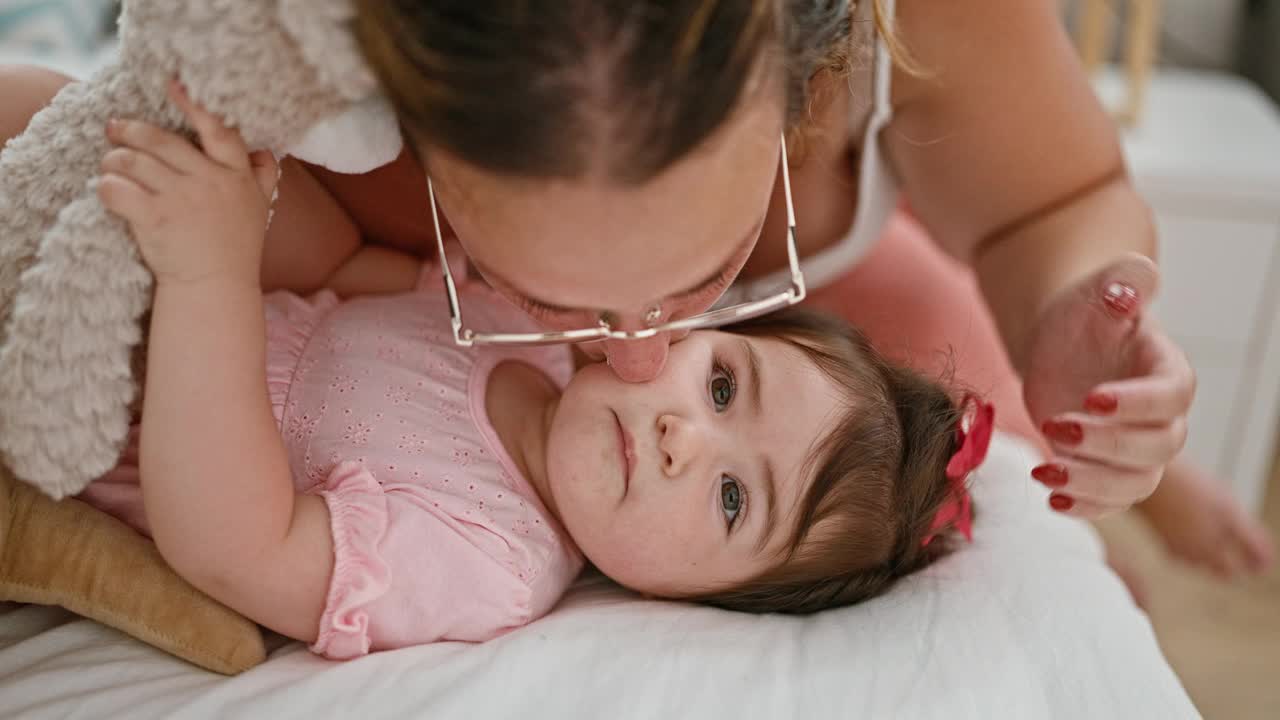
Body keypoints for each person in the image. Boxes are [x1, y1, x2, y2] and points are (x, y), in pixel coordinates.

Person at [0, 0, 1266, 575]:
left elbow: (1049, 201)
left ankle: (1155, 490)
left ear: (806, 86)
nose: (642, 359)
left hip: (849, 271)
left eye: (691, 283)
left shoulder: (920, 30)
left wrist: (1075, 301)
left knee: (945, 433)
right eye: (545, 294)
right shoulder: (299, 101)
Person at [80, 89, 982, 657]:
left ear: (699, 601)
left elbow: (237, 547)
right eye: (721, 386)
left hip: (96, 426)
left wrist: (208, 270)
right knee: (69, 122)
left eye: (734, 498)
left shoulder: (488, 561)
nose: (682, 437)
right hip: (135, 291)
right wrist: (242, 193)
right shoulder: (530, 332)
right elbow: (345, 274)